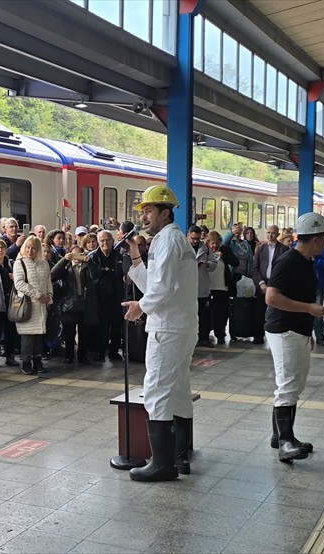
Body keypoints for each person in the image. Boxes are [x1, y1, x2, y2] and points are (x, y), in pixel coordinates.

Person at [121, 184, 198, 481]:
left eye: (149, 211)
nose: (144, 217)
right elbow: (155, 284)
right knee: (178, 391)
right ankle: (180, 459)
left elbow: (160, 288)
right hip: (181, 326)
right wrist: (136, 257)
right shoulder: (175, 239)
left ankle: (162, 465)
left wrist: (141, 307)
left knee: (156, 391)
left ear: (165, 213)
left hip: (167, 328)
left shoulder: (167, 241)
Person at [264, 212, 324, 463]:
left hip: (298, 330)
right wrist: (309, 310)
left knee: (294, 384)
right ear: (315, 239)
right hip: (284, 330)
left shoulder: (305, 262)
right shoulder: (288, 261)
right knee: (288, 384)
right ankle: (285, 442)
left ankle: (279, 435)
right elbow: (271, 297)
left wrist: (309, 329)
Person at [52, 238, 100, 364]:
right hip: (70, 303)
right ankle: (69, 356)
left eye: (80, 253)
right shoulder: (66, 267)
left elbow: (95, 275)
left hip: (85, 303)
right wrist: (64, 260)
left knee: (84, 333)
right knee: (69, 332)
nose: (77, 256)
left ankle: (82, 356)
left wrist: (89, 262)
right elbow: (53, 274)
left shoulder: (86, 266)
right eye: (74, 254)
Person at [13, 236, 54, 375]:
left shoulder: (44, 263)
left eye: (34, 248)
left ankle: (37, 361)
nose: (30, 250)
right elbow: (19, 283)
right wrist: (38, 295)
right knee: (27, 337)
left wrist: (49, 296)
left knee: (38, 335)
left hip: (42, 306)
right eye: (28, 247)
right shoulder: (20, 263)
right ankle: (26, 362)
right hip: (27, 305)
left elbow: (49, 282)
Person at [88, 230, 125, 360]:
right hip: (98, 297)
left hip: (116, 297)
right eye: (102, 240)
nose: (105, 243)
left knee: (116, 326)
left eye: (108, 240)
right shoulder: (92, 257)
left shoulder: (120, 257)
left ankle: (113, 352)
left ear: (113, 241)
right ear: (98, 242)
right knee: (100, 326)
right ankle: (100, 352)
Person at [252, 225, 289, 345]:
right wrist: (261, 283)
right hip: (263, 283)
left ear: (278, 234)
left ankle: (279, 334)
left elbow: (286, 269)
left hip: (277, 284)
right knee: (259, 311)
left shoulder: (284, 249)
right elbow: (255, 268)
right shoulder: (260, 249)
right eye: (268, 232)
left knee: (278, 310)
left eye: (273, 233)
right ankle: (258, 335)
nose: (270, 235)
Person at [0, 237, 19, 367]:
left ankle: (10, 356)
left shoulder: (12, 263)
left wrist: (15, 277)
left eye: (2, 248)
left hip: (10, 301)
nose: (0, 250)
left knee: (10, 330)